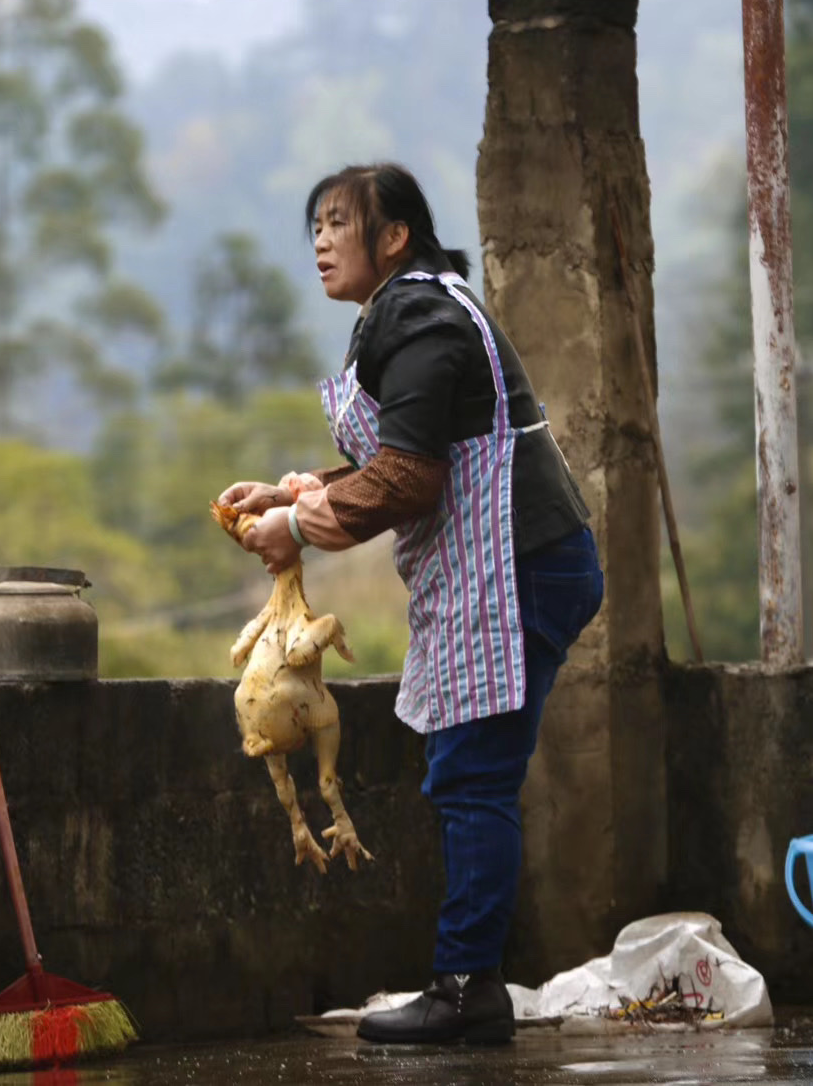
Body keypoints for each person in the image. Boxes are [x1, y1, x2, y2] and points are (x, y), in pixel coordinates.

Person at [218, 162, 603, 1047]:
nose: (319, 238)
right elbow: (412, 454)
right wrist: (297, 495)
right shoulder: (402, 316)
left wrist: (300, 529)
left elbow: (409, 477)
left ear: (394, 237)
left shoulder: (421, 315)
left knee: (472, 777)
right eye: (312, 223)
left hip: (514, 567)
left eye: (339, 221)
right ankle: (469, 985)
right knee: (470, 774)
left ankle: (468, 989)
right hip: (504, 565)